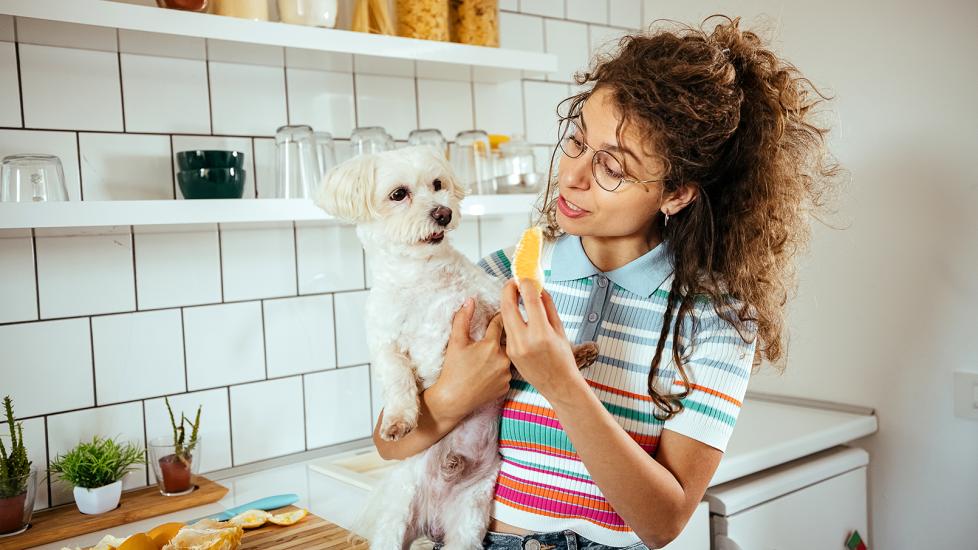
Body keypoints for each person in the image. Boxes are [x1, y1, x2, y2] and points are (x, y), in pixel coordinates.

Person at [373, 14, 840, 549]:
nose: (571, 176)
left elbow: (664, 522)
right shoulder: (500, 275)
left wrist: (561, 384)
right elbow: (391, 445)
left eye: (612, 168)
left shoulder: (717, 319)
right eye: (576, 142)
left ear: (675, 194)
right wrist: (456, 392)